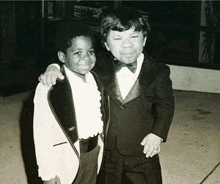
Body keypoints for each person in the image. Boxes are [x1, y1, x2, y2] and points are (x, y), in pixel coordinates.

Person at [39, 6, 175, 184]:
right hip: (108, 152)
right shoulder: (99, 64)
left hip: (142, 151)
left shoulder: (158, 71)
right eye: (117, 39)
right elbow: (74, 62)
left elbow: (166, 105)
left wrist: (157, 133)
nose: (127, 45)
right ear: (105, 45)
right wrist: (54, 67)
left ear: (145, 39)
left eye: (134, 37)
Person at [33, 23, 105, 184]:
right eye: (77, 53)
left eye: (90, 52)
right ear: (62, 57)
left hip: (94, 151)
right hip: (67, 155)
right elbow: (41, 134)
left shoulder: (96, 78)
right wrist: (48, 174)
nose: (86, 58)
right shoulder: (49, 87)